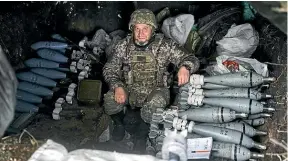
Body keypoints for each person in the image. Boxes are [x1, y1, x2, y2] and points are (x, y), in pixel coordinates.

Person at [102, 9, 199, 152]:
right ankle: (118, 123)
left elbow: (191, 58)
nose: (141, 34)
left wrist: (185, 67)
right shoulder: (123, 46)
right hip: (129, 89)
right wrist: (117, 86)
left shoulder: (165, 46)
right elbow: (109, 68)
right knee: (109, 99)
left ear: (152, 29)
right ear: (132, 29)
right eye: (137, 29)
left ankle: (142, 133)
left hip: (156, 90)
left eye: (145, 29)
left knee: (155, 105)